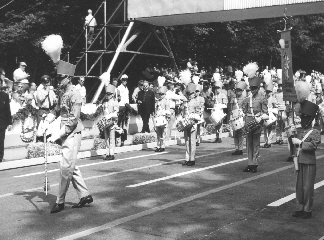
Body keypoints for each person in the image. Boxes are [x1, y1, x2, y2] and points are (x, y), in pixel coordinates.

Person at [48, 72, 93, 214]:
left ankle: (60, 201)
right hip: (65, 133)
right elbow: (57, 110)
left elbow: (73, 119)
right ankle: (85, 195)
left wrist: (58, 134)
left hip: (72, 133)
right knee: (71, 166)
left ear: (68, 78)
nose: (59, 80)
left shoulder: (75, 94)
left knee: (65, 168)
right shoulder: (62, 93)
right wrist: (47, 120)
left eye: (61, 78)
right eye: (58, 78)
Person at [291, 81, 320, 219]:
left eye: (305, 117)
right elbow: (293, 145)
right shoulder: (299, 129)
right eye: (302, 116)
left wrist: (301, 144)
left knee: (308, 188)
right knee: (299, 186)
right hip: (299, 160)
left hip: (309, 161)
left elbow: (313, 145)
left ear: (310, 118)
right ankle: (299, 207)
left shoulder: (315, 130)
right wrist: (290, 134)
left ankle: (307, 209)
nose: (302, 119)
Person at [242, 75, 268, 173]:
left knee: (256, 143)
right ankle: (250, 163)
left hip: (257, 122)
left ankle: (255, 163)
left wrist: (260, 118)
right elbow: (244, 110)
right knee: (249, 143)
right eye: (251, 88)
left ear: (258, 88)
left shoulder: (262, 98)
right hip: (249, 122)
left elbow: (266, 112)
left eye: (254, 88)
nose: (252, 90)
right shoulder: (248, 98)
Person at [182, 83, 201, 166]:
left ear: (194, 93)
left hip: (193, 123)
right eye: (188, 94)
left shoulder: (196, 102)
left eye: (191, 93)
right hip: (186, 123)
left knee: (192, 141)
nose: (189, 95)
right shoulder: (185, 102)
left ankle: (192, 159)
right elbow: (183, 112)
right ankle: (187, 158)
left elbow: (199, 113)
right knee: (186, 141)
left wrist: (194, 120)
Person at [103, 84, 119, 160]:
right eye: (107, 94)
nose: (108, 95)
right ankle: (107, 153)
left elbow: (116, 113)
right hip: (105, 122)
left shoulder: (115, 102)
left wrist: (111, 118)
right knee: (106, 138)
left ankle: (112, 153)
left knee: (112, 138)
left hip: (112, 122)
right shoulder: (105, 103)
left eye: (109, 94)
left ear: (112, 95)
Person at [230, 81, 246, 155]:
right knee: (235, 133)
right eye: (237, 90)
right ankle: (236, 148)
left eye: (239, 90)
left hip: (241, 117)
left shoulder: (244, 98)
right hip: (234, 117)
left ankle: (240, 149)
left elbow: (246, 108)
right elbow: (231, 108)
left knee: (241, 133)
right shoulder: (233, 98)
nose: (238, 92)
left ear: (242, 91)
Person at [154, 86, 171, 152]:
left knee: (163, 133)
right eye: (159, 94)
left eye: (162, 94)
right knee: (158, 133)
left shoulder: (166, 101)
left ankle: (162, 146)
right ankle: (158, 145)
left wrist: (167, 116)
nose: (160, 95)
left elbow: (168, 110)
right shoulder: (158, 101)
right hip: (158, 118)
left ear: (164, 94)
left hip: (163, 117)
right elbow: (156, 110)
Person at [262, 82, 278, 148]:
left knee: (270, 129)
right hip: (265, 113)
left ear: (271, 92)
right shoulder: (264, 98)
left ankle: (269, 142)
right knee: (265, 129)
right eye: (267, 92)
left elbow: (275, 106)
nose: (268, 93)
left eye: (269, 92)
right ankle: (266, 142)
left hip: (271, 115)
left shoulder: (273, 98)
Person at [0, 82, 12, 163]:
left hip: (2, 122)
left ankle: (0, 157)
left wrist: (10, 122)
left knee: (1, 140)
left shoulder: (5, 95)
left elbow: (8, 110)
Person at [117, 74, 129, 146]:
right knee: (119, 125)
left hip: (126, 107)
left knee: (124, 125)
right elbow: (118, 98)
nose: (125, 81)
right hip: (121, 107)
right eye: (124, 80)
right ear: (121, 80)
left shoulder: (126, 89)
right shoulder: (119, 88)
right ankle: (117, 139)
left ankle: (123, 140)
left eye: (126, 80)